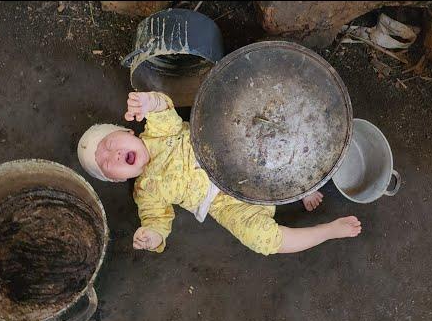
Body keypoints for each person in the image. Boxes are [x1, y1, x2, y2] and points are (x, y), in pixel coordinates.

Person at [77, 91, 361, 255]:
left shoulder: (156, 133)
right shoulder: (145, 193)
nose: (113, 154)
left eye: (110, 144)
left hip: (226, 155)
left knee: (266, 144)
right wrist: (152, 235)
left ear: (129, 131)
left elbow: (163, 110)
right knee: (260, 240)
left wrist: (150, 102)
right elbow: (157, 220)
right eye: (107, 163)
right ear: (117, 179)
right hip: (222, 203)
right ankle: (328, 231)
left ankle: (302, 183)